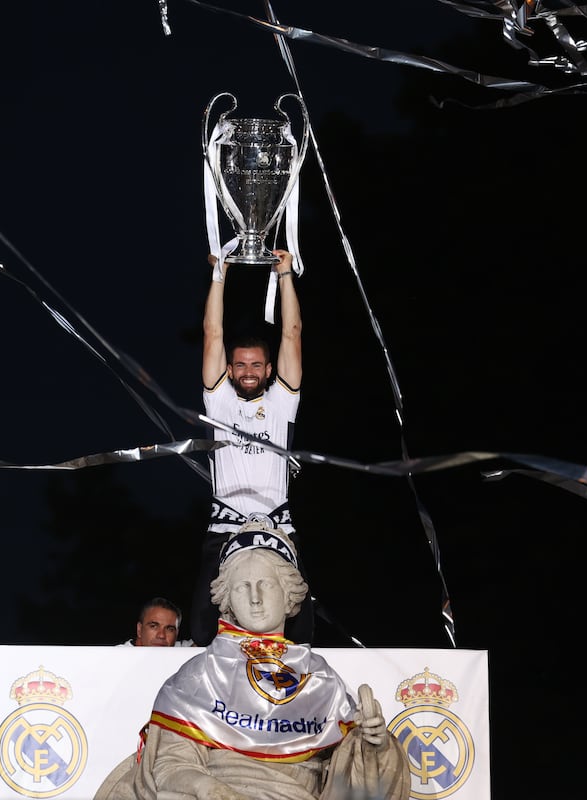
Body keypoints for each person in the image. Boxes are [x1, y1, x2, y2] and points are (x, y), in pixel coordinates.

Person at [94, 524, 409, 800]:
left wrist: (374, 746)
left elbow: (350, 780)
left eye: (266, 584)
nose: (255, 598)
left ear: (288, 595)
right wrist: (207, 788)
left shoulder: (319, 676)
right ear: (227, 598)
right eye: (243, 587)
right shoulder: (200, 672)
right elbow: (170, 764)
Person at [193, 249, 313, 646]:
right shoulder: (220, 402)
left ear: (269, 370)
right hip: (224, 526)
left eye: (256, 365)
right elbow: (213, 333)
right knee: (203, 630)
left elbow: (292, 333)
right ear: (229, 370)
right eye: (241, 365)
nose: (248, 372)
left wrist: (285, 276)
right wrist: (219, 277)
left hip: (278, 525)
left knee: (299, 631)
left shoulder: (281, 403)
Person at [117, 597, 194, 647]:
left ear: (177, 633)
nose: (161, 635)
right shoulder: (115, 656)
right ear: (139, 629)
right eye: (153, 626)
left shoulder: (182, 650)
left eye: (170, 629)